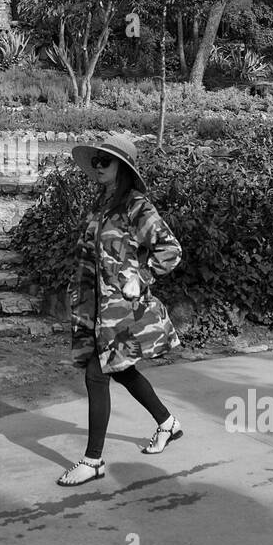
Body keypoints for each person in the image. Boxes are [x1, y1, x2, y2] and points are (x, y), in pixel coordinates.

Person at [59, 134, 184, 486]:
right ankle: (167, 423)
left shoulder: (136, 206)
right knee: (120, 370)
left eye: (105, 161)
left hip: (118, 310)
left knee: (96, 375)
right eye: (95, 160)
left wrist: (142, 277)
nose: (97, 166)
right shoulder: (101, 203)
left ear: (123, 168)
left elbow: (170, 250)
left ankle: (93, 460)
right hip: (93, 306)